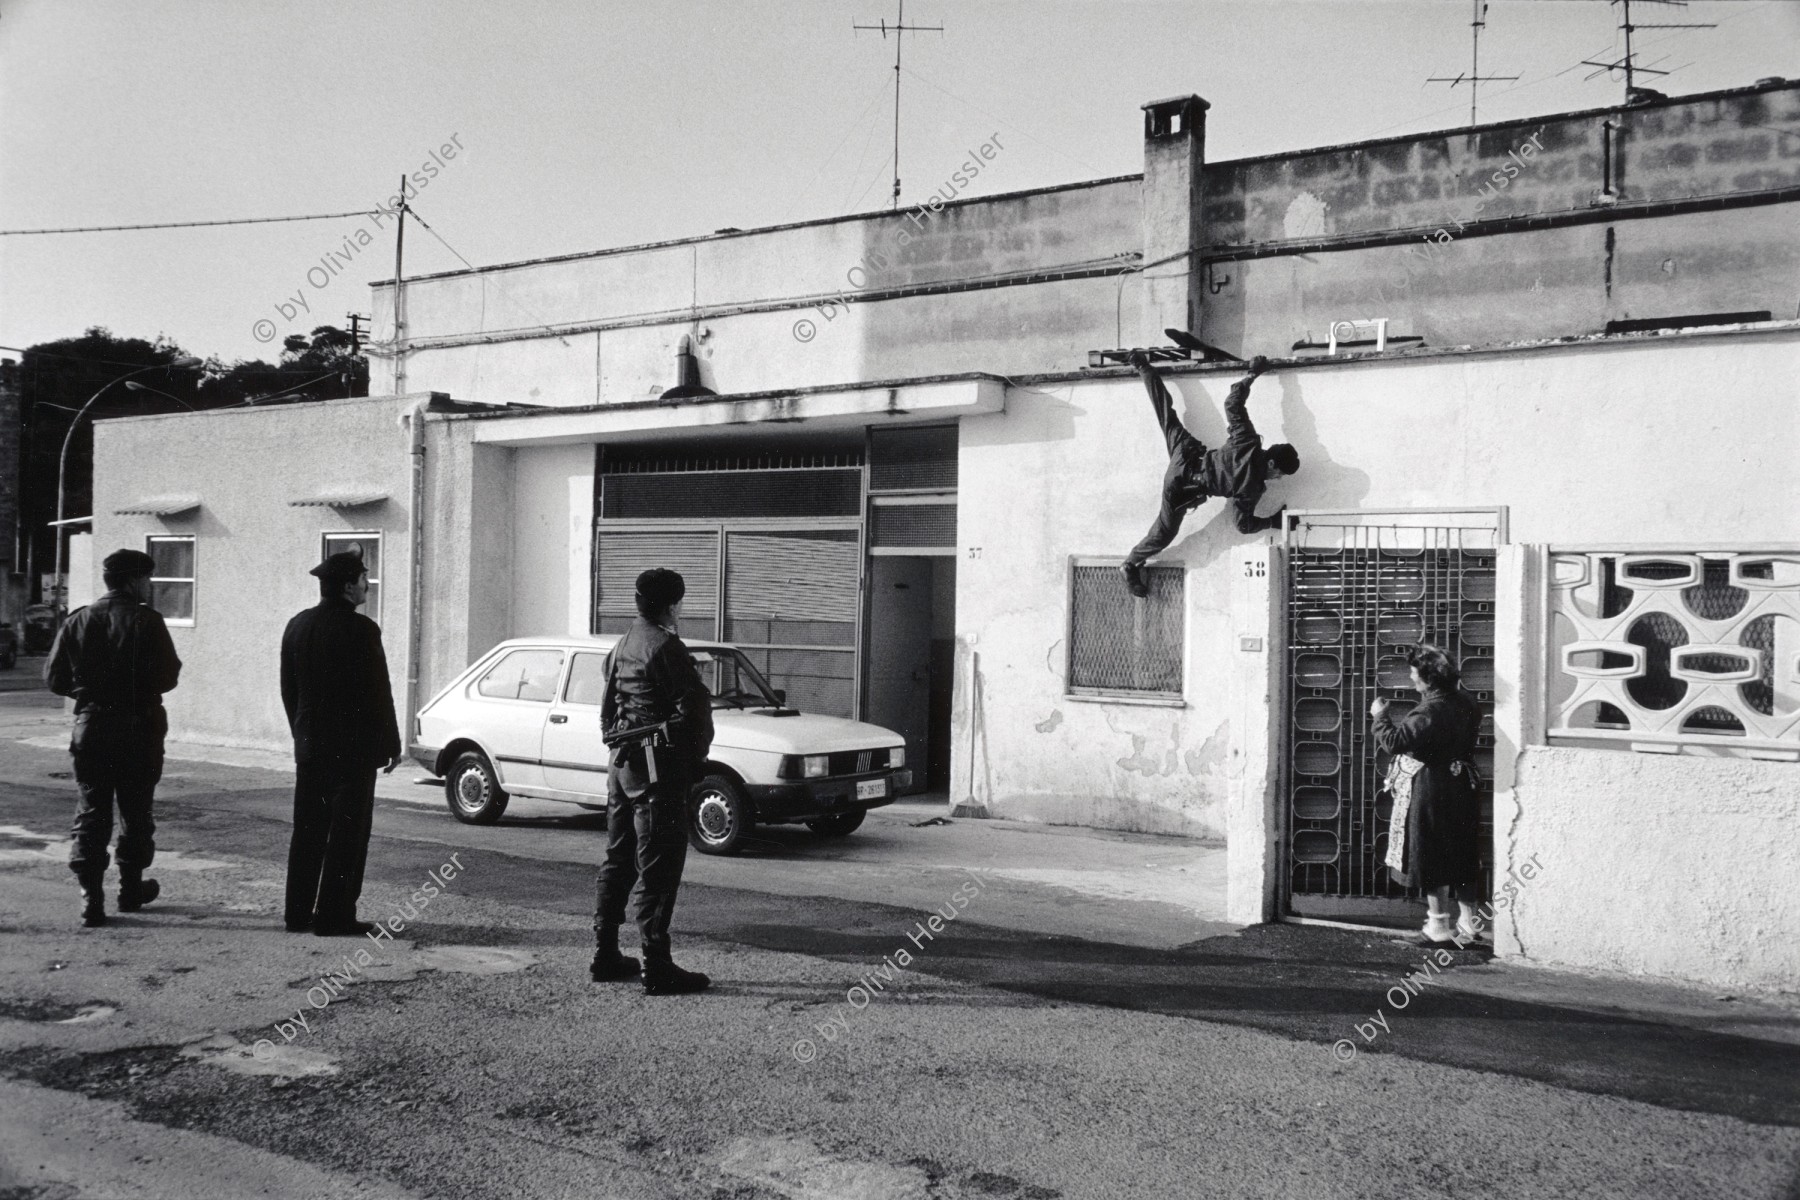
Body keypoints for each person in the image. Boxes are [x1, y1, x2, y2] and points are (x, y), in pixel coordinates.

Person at [591, 567, 714, 995]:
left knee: (619, 857)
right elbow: (695, 710)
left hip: (622, 767)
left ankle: (605, 952)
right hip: (657, 772)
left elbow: (607, 712)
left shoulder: (623, 643)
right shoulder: (666, 647)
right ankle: (656, 964)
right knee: (659, 863)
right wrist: (693, 761)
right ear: (672, 605)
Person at [45, 548, 183, 927]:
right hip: (139, 727)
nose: (150, 585)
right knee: (136, 811)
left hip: (92, 728)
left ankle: (91, 897)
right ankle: (129, 889)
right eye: (147, 578)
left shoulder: (79, 620)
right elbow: (169, 676)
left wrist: (88, 695)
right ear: (132, 580)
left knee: (92, 811)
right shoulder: (146, 621)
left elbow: (55, 678)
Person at [280, 551, 401, 937]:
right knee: (348, 834)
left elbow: (289, 691)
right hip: (352, 752)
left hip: (312, 748)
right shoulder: (363, 630)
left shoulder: (297, 626)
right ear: (349, 585)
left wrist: (301, 734)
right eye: (364, 578)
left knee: (308, 832)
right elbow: (378, 693)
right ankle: (333, 915)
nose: (368, 583)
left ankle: (297, 915)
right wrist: (391, 744)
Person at [1120, 353, 1300, 598]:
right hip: (1182, 486)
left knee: (1167, 414)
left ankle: (1142, 365)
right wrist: (1272, 521)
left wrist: (1252, 374)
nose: (1277, 479)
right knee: (1163, 533)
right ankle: (1130, 564)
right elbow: (1242, 525)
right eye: (1279, 474)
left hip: (1186, 453)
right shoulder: (1252, 488)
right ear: (1271, 463)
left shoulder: (1248, 439)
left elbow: (1232, 403)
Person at [1371, 644, 1485, 943]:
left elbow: (1395, 742)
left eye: (1414, 673)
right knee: (1462, 852)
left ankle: (1438, 927)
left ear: (1429, 678)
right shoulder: (1468, 703)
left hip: (1433, 786)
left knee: (1432, 852)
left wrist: (1380, 716)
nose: (1411, 679)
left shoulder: (1429, 711)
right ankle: (1469, 925)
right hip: (1463, 783)